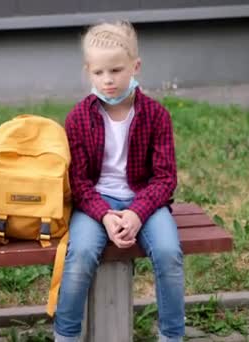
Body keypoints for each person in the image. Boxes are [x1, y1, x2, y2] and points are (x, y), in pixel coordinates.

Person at [54, 21, 184, 342]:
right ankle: (66, 335)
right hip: (96, 204)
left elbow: (165, 178)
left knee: (168, 253)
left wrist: (137, 212)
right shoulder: (79, 118)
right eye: (99, 73)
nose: (108, 80)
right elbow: (79, 182)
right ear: (88, 71)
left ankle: (172, 335)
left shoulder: (156, 116)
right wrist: (106, 216)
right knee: (80, 254)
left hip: (146, 203)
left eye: (116, 70)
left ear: (135, 67)